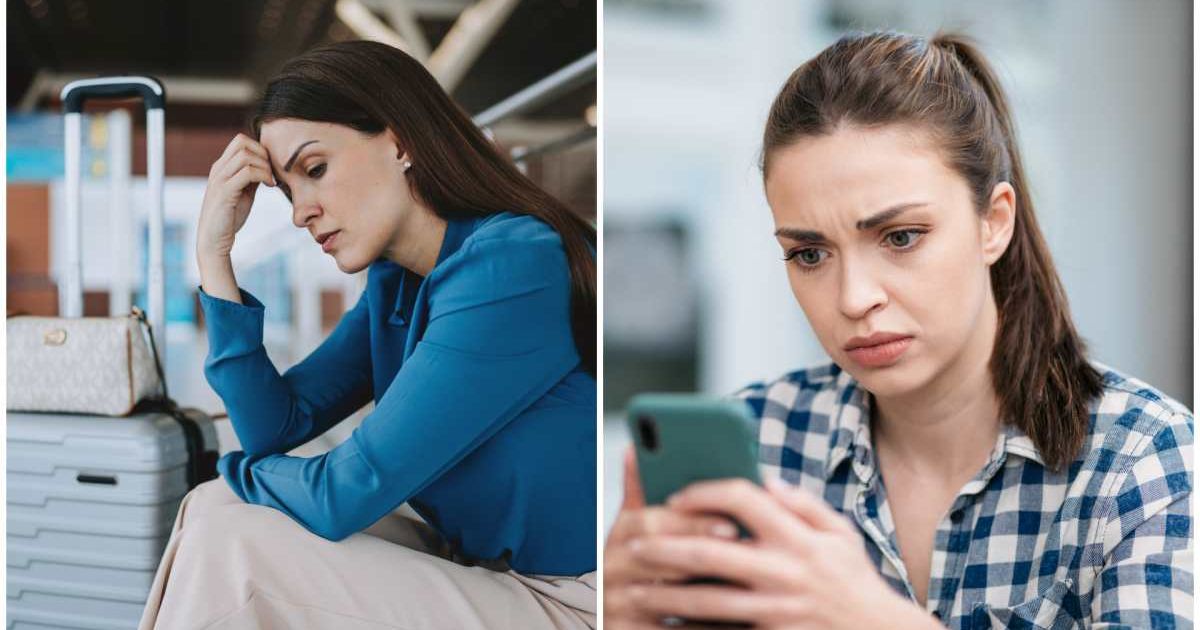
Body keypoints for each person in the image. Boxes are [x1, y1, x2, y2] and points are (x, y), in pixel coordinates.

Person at [604, 30, 1192, 628]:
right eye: (810, 254)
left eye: (901, 237)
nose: (854, 298)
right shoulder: (760, 446)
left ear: (994, 222)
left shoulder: (1141, 461)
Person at [139, 40, 597, 630]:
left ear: (400, 143)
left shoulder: (512, 264)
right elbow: (274, 428)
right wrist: (214, 255)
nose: (301, 212)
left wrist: (230, 469)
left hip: (579, 597)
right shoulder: (397, 281)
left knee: (237, 540)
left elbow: (346, 491)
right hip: (488, 570)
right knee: (215, 507)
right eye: (289, 190)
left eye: (315, 170)